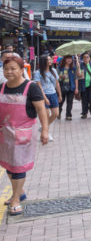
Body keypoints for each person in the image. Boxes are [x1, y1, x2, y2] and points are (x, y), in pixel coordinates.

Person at [0, 53, 49, 216]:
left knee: (19, 167)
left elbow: (41, 110)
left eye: (13, 69)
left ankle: (15, 199)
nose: (9, 72)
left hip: (23, 135)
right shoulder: (2, 87)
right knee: (8, 165)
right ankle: (19, 192)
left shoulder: (31, 87)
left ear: (22, 70)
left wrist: (45, 131)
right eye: (6, 69)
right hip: (5, 134)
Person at [32, 55, 61, 140]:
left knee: (56, 113)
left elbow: (57, 83)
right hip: (43, 95)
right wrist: (45, 98)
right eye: (48, 59)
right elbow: (39, 86)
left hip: (53, 94)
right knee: (46, 115)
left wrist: (60, 94)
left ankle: (43, 128)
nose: (50, 61)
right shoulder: (38, 73)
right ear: (43, 61)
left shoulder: (54, 71)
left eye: (50, 59)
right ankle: (46, 132)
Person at [77, 52, 91, 118]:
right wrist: (78, 67)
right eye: (84, 57)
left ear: (89, 58)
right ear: (82, 58)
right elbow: (78, 75)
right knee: (84, 99)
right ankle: (84, 113)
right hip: (83, 85)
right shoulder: (80, 65)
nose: (86, 58)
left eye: (87, 57)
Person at [57, 55, 79, 121]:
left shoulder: (73, 68)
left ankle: (68, 115)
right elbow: (56, 78)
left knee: (70, 102)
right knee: (61, 101)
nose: (69, 60)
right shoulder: (60, 67)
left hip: (71, 87)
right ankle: (59, 112)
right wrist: (61, 77)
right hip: (62, 87)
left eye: (70, 59)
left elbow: (76, 78)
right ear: (65, 59)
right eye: (68, 58)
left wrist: (76, 88)